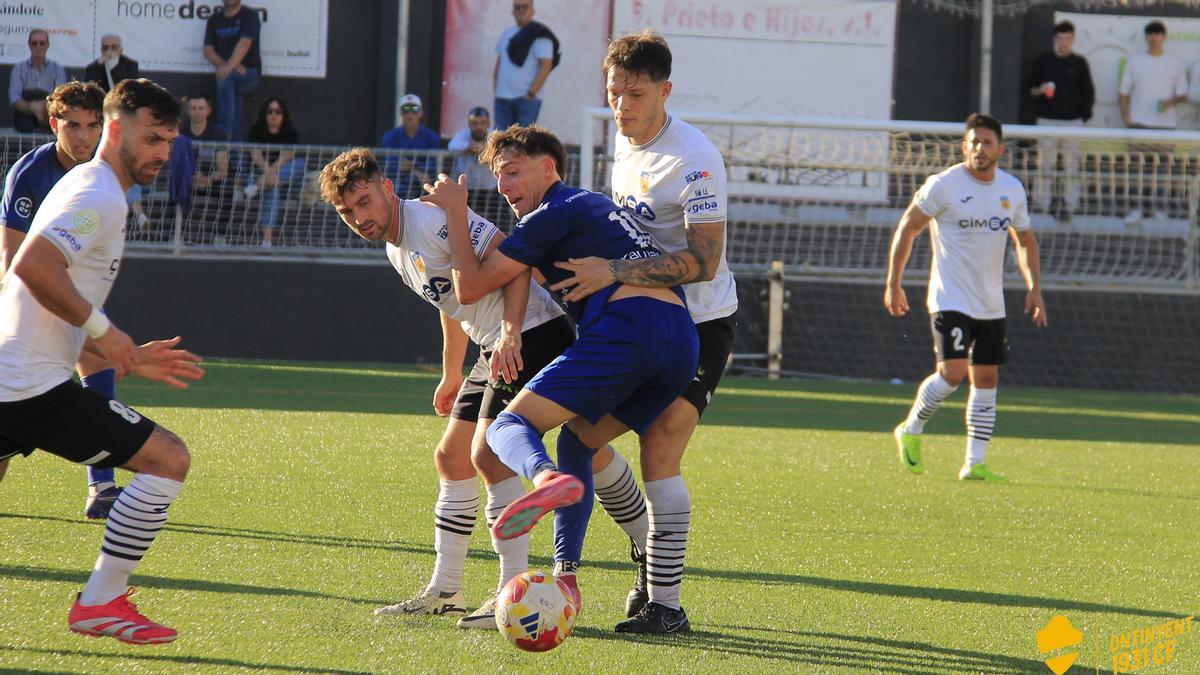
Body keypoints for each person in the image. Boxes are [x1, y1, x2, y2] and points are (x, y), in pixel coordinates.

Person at [318, 148, 652, 630]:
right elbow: (450, 300)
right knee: (456, 456)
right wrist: (452, 372)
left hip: (532, 332)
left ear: (387, 190)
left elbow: (513, 262)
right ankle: (446, 589)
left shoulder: (431, 219)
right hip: (491, 345)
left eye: (364, 202)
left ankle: (509, 592)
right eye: (347, 212)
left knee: (492, 454)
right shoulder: (397, 246)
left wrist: (513, 330)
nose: (359, 217)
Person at [421, 125, 698, 631]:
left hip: (628, 331)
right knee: (579, 441)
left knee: (507, 428)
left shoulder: (554, 210)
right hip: (680, 342)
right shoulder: (586, 209)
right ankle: (566, 578)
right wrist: (509, 329)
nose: (504, 185)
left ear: (548, 168)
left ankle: (544, 480)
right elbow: (521, 271)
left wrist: (456, 212)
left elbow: (471, 284)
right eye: (498, 176)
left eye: (512, 171)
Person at [544, 31, 737, 634]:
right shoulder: (625, 149)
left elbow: (705, 260)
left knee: (659, 452)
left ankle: (667, 606)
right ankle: (645, 551)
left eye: (634, 93)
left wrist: (615, 271)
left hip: (699, 327)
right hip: (637, 328)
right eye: (614, 92)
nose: (622, 105)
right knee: (583, 436)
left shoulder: (695, 158)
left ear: (665, 90)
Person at [0, 77, 203, 644]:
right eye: (152, 138)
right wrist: (107, 334)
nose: (163, 153)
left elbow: (42, 294)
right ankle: (100, 600)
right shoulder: (99, 196)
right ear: (116, 130)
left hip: (18, 380)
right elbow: (32, 268)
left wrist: (126, 354)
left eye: (170, 141)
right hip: (28, 390)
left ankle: (101, 599)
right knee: (168, 459)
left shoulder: (88, 184)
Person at [885, 113, 1047, 486]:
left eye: (987, 142)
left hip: (991, 302)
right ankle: (911, 428)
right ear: (964, 147)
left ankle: (974, 462)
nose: (979, 149)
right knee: (953, 373)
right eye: (973, 142)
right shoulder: (944, 185)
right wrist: (894, 282)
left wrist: (1034, 287)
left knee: (986, 378)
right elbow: (908, 228)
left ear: (1000, 149)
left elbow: (1024, 241)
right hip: (949, 297)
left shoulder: (1012, 189)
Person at [0, 81, 128, 519]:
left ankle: (102, 486)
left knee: (98, 361)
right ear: (54, 123)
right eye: (72, 125)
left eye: (93, 125)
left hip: (74, 298)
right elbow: (10, 256)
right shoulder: (29, 173)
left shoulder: (101, 173)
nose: (82, 136)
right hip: (26, 303)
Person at [1118, 21, 1188, 224]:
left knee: (1162, 172)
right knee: (1136, 172)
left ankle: (1160, 210)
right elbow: (1123, 93)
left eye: (1157, 34)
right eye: (1150, 34)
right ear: (1146, 37)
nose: (1153, 38)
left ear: (1164, 37)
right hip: (1138, 125)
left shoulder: (1174, 63)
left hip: (1165, 127)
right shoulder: (1135, 61)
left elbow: (1182, 93)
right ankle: (1135, 210)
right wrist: (1127, 119)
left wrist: (1169, 102)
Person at [1026, 21, 1093, 223]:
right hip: (1047, 121)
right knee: (1044, 163)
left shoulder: (1080, 63)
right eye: (1060, 38)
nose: (1063, 42)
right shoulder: (1042, 62)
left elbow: (1088, 93)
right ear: (1054, 39)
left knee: (1071, 165)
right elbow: (1030, 90)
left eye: (1067, 38)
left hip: (1073, 123)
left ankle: (1071, 205)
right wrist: (1042, 89)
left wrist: (1082, 116)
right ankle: (1041, 204)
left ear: (1072, 40)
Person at [493, 0, 560, 130]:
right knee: (500, 144)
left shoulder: (540, 34)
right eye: (517, 8)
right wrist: (497, 94)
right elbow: (497, 68)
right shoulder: (506, 34)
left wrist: (531, 94)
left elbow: (546, 66)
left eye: (525, 7)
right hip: (502, 99)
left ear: (532, 11)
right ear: (513, 11)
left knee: (523, 145)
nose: (521, 10)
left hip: (525, 100)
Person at [245, 97, 302, 247]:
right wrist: (269, 175)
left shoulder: (290, 133)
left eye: (278, 111)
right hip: (259, 175)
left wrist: (269, 175)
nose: (274, 114)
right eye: (270, 111)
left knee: (299, 164)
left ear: (284, 114)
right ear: (264, 114)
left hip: (285, 180)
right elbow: (255, 156)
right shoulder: (256, 131)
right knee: (272, 190)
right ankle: (267, 239)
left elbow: (286, 156)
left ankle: (256, 187)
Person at [203, 0, 262, 141]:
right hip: (232, 73)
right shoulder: (214, 19)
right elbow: (207, 50)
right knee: (234, 105)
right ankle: (236, 158)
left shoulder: (249, 15)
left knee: (224, 78)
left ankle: (224, 132)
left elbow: (245, 43)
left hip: (249, 73)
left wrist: (228, 68)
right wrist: (230, 66)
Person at [181, 94, 231, 243]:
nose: (197, 112)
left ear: (208, 110)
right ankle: (176, 235)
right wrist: (193, 177)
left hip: (212, 180)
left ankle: (220, 237)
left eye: (201, 108)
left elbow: (222, 168)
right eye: (193, 108)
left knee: (226, 190)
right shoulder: (181, 133)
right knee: (176, 187)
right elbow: (180, 165)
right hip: (189, 179)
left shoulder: (218, 134)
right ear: (188, 111)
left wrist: (208, 180)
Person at [447, 106, 501, 225]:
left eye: (482, 123)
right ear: (469, 124)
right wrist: (468, 147)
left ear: (488, 123)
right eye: (474, 123)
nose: (478, 127)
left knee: (491, 224)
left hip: (489, 190)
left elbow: (503, 146)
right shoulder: (463, 135)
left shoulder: (495, 135)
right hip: (467, 190)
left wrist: (479, 148)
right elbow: (452, 145)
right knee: (465, 224)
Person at [380, 94, 441, 200]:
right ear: (400, 112)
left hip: (422, 187)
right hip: (397, 187)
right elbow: (390, 166)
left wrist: (412, 167)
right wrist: (416, 169)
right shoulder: (390, 136)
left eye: (415, 109)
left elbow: (432, 166)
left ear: (421, 112)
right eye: (406, 109)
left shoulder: (431, 136)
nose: (410, 113)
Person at [9, 29, 67, 133]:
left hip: (49, 114)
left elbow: (61, 97)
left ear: (47, 45)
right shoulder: (18, 69)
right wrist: (33, 108)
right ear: (29, 45)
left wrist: (43, 106)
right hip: (24, 115)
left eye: (42, 43)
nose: (38, 47)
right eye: (34, 43)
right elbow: (15, 99)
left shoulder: (57, 69)